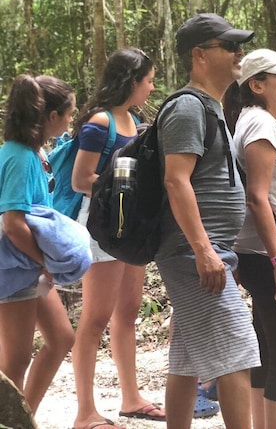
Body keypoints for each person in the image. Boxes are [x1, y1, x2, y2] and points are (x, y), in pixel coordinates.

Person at [155, 13, 260, 429]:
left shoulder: (212, 108)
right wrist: (204, 250)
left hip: (206, 249)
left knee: (186, 356)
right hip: (192, 250)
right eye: (229, 46)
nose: (239, 53)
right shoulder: (186, 107)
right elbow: (175, 180)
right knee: (238, 349)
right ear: (199, 55)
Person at [68, 48, 164, 429]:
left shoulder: (135, 119)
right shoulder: (99, 122)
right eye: (149, 80)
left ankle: (131, 397)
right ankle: (85, 412)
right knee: (94, 317)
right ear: (132, 81)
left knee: (127, 312)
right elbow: (81, 179)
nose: (152, 87)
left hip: (131, 228)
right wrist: (122, 190)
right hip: (102, 227)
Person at [225, 48, 276, 429]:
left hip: (261, 250)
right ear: (257, 85)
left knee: (268, 346)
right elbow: (257, 197)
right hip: (267, 251)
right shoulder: (259, 124)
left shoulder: (257, 120)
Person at [0, 75, 77, 414]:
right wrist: (44, 260)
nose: (72, 119)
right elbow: (14, 224)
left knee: (61, 338)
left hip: (26, 268)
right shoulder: (19, 157)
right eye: (70, 113)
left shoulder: (34, 153)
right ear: (50, 117)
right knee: (15, 359)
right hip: (13, 268)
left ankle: (22, 417)